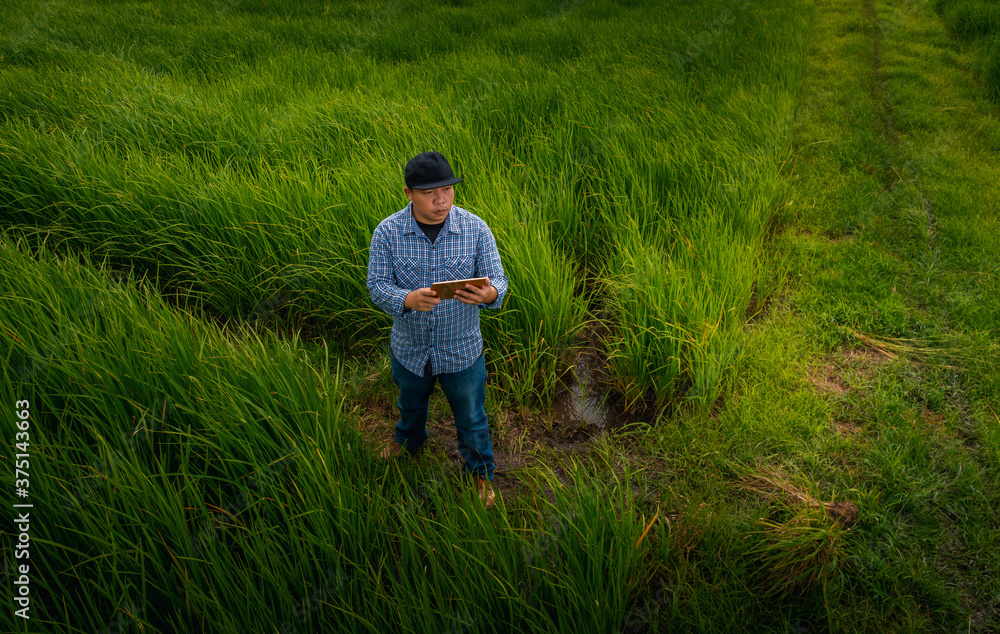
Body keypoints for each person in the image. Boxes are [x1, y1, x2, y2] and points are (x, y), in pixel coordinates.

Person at [366, 151, 508, 509]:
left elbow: (500, 282)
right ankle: (409, 440)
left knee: (472, 415)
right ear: (408, 193)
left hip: (461, 349)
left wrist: (488, 293)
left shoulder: (476, 228)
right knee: (410, 403)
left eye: (447, 189)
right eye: (429, 192)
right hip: (410, 347)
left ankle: (480, 472)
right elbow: (377, 285)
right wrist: (406, 299)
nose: (440, 200)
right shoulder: (387, 232)